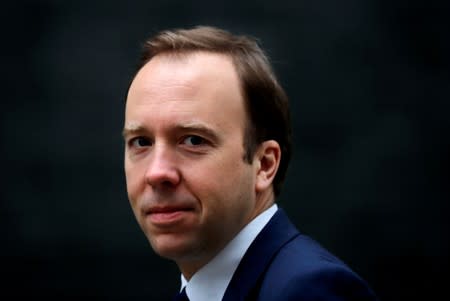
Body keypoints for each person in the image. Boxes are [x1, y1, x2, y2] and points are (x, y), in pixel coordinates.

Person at [123, 25, 378, 301]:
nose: (157, 172)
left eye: (194, 141)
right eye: (141, 142)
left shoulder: (308, 292)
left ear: (265, 165)